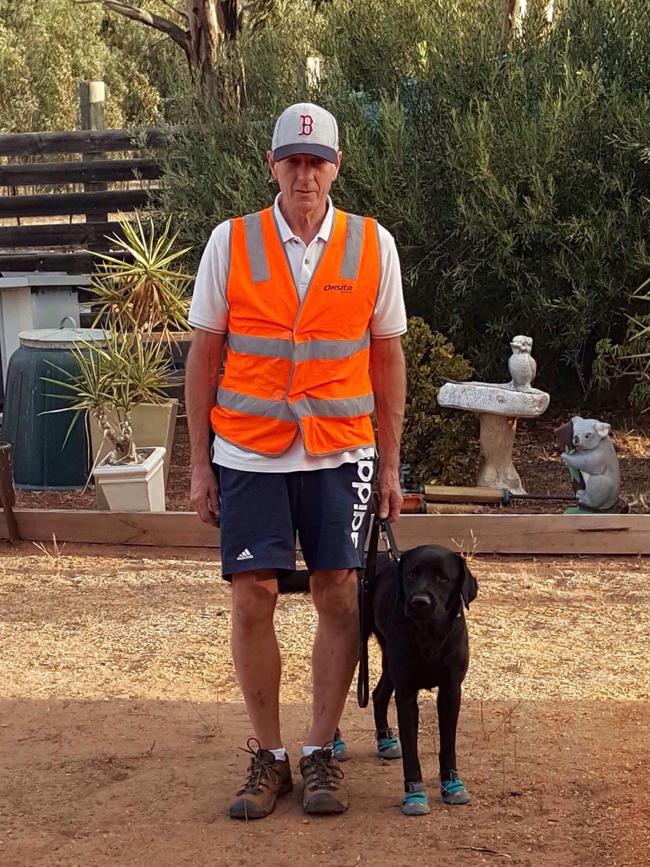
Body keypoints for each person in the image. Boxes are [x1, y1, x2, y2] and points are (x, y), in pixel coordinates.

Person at [185, 102, 407, 820]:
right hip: (249, 449)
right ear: (273, 165)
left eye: (317, 160)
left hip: (342, 450)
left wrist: (393, 467)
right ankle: (268, 755)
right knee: (253, 594)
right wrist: (198, 464)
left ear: (336, 165)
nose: (305, 173)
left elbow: (387, 358)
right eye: (293, 159)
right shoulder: (231, 242)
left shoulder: (374, 245)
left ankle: (319, 754)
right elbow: (204, 353)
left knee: (339, 592)